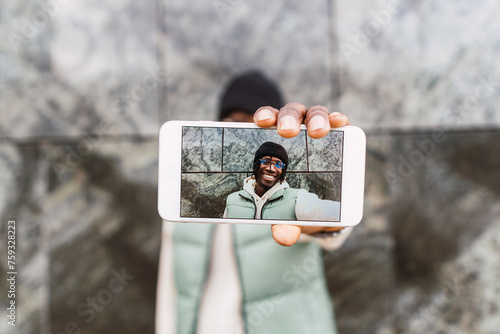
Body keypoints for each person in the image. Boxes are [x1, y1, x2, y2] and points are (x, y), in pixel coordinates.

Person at [156, 71, 353, 334]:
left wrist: (325, 175)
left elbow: (333, 224)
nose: (245, 140)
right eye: (234, 125)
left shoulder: (297, 194)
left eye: (257, 130)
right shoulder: (186, 201)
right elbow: (170, 294)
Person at [224, 141, 341, 222]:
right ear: (256, 165)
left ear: (283, 171)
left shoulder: (297, 199)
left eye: (278, 164)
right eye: (266, 161)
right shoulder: (232, 200)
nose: (271, 168)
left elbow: (335, 212)